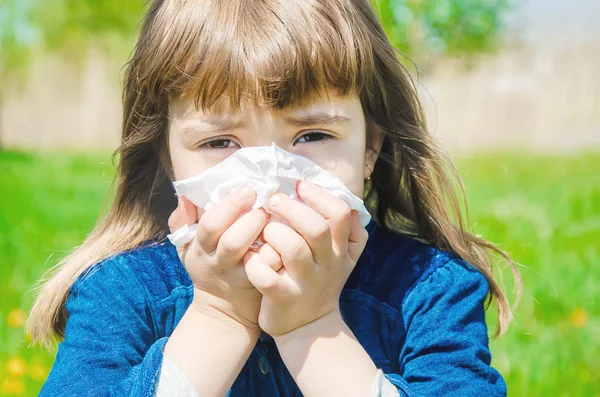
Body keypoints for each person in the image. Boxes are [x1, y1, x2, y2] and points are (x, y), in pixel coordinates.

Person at [27, 0, 521, 396]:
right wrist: (219, 315)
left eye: (312, 135)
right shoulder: (122, 292)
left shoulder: (430, 292)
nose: (269, 180)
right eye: (220, 143)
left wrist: (312, 327)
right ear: (167, 158)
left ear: (371, 146)